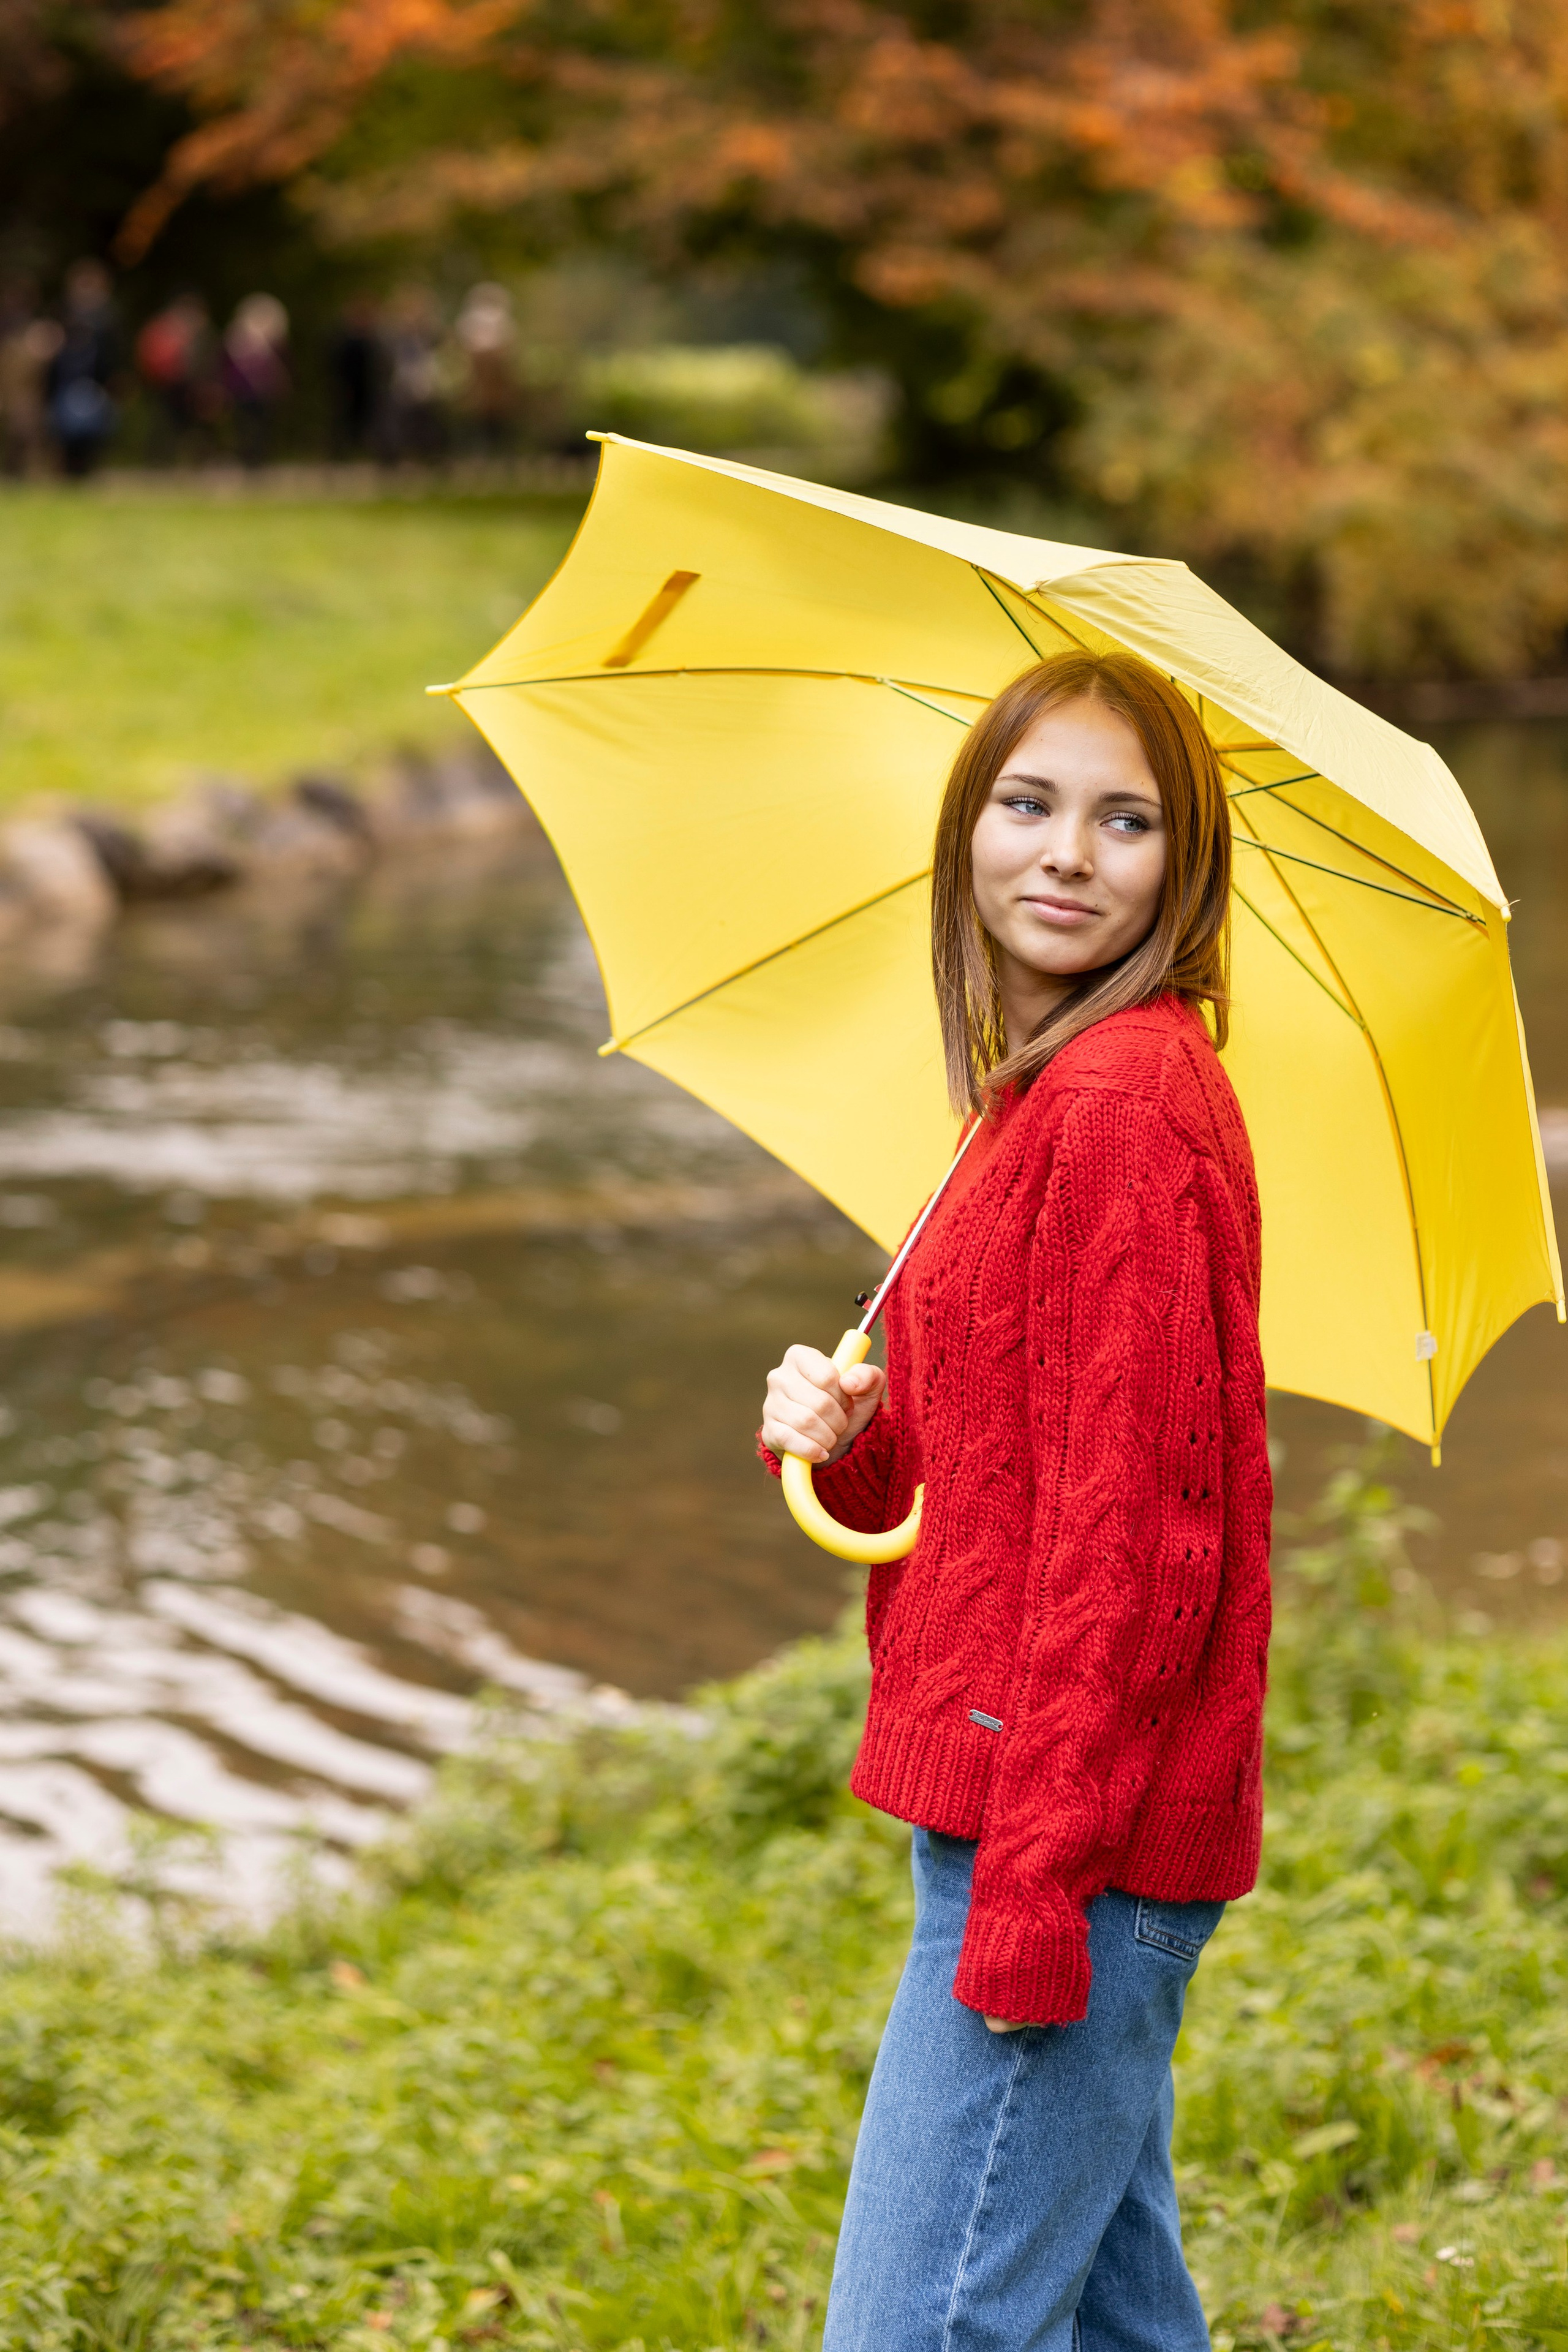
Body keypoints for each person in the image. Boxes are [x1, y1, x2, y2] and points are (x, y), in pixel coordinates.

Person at [759, 650, 1272, 2352]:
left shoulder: (1122, 1105)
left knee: (920, 2331)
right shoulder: (1036, 1093)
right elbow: (988, 1486)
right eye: (1029, 802)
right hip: (1025, 1807)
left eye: (1127, 820)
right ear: (968, 826)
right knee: (1120, 2322)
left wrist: (1038, 1896)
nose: (1068, 853)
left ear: (1179, 866)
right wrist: (848, 1426)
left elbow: (1141, 1542)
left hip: (1062, 1843)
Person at [45, 258, 118, 479]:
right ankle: (68, 472)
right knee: (64, 434)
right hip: (65, 387)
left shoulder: (107, 322)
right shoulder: (60, 318)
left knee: (93, 435)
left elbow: (112, 359)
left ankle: (85, 471)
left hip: (94, 388)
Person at [221, 293, 290, 468]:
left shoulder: (274, 343)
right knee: (243, 426)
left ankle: (259, 458)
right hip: (242, 391)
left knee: (262, 427)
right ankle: (246, 458)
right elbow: (227, 367)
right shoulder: (236, 341)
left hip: (263, 391)